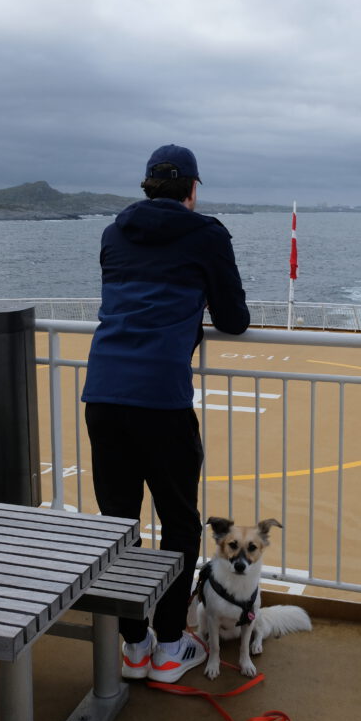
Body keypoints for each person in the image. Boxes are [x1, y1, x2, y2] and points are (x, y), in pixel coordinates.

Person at [82, 144, 250, 683]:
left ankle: (134, 646)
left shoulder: (112, 234)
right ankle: (171, 644)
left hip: (104, 394)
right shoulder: (207, 234)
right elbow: (235, 317)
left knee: (119, 525)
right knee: (179, 524)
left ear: (147, 186)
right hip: (162, 401)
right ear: (192, 190)